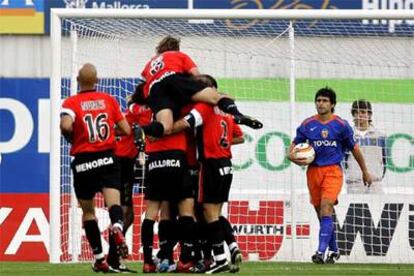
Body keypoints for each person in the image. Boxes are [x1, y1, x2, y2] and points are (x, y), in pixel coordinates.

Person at [170, 75, 247, 273]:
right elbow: (239, 137)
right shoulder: (225, 111)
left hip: (209, 164)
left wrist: (165, 129)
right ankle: (231, 246)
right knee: (214, 212)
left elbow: (185, 123)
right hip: (226, 164)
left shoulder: (203, 108)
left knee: (206, 212)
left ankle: (219, 259)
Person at [288, 87, 373, 264]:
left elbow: (354, 149)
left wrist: (365, 171)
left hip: (333, 171)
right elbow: (293, 147)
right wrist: (294, 157)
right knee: (321, 214)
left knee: (326, 207)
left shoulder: (341, 125)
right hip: (313, 172)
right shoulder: (307, 125)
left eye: (325, 101)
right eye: (318, 100)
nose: (321, 103)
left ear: (332, 104)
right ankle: (334, 250)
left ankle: (320, 252)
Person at [60, 63, 131, 272]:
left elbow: (65, 125)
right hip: (107, 158)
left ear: (77, 81)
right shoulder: (108, 100)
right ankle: (117, 227)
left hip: (83, 161)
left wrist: (71, 136)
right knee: (114, 204)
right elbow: (126, 129)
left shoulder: (71, 102)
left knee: (88, 212)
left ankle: (100, 258)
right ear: (97, 81)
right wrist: (110, 131)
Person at [139, 35, 262, 139]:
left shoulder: (148, 64)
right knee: (217, 97)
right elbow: (196, 76)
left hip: (154, 89)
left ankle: (141, 130)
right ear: (176, 48)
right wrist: (200, 89)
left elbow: (144, 88)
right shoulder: (179, 55)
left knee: (166, 127)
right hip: (173, 78)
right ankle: (237, 114)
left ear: (159, 49)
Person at [107, 99, 152, 272]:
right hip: (121, 164)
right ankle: (113, 258)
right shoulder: (141, 113)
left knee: (129, 215)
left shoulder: (129, 114)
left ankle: (114, 257)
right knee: (125, 213)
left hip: (121, 163)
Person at [345, 99, 387, 194]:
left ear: (369, 114)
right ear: (353, 115)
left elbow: (385, 161)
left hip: (375, 183)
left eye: (363, 112)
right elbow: (344, 161)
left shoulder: (380, 135)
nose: (360, 115)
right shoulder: (347, 136)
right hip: (354, 184)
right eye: (356, 112)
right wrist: (352, 174)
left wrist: (377, 175)